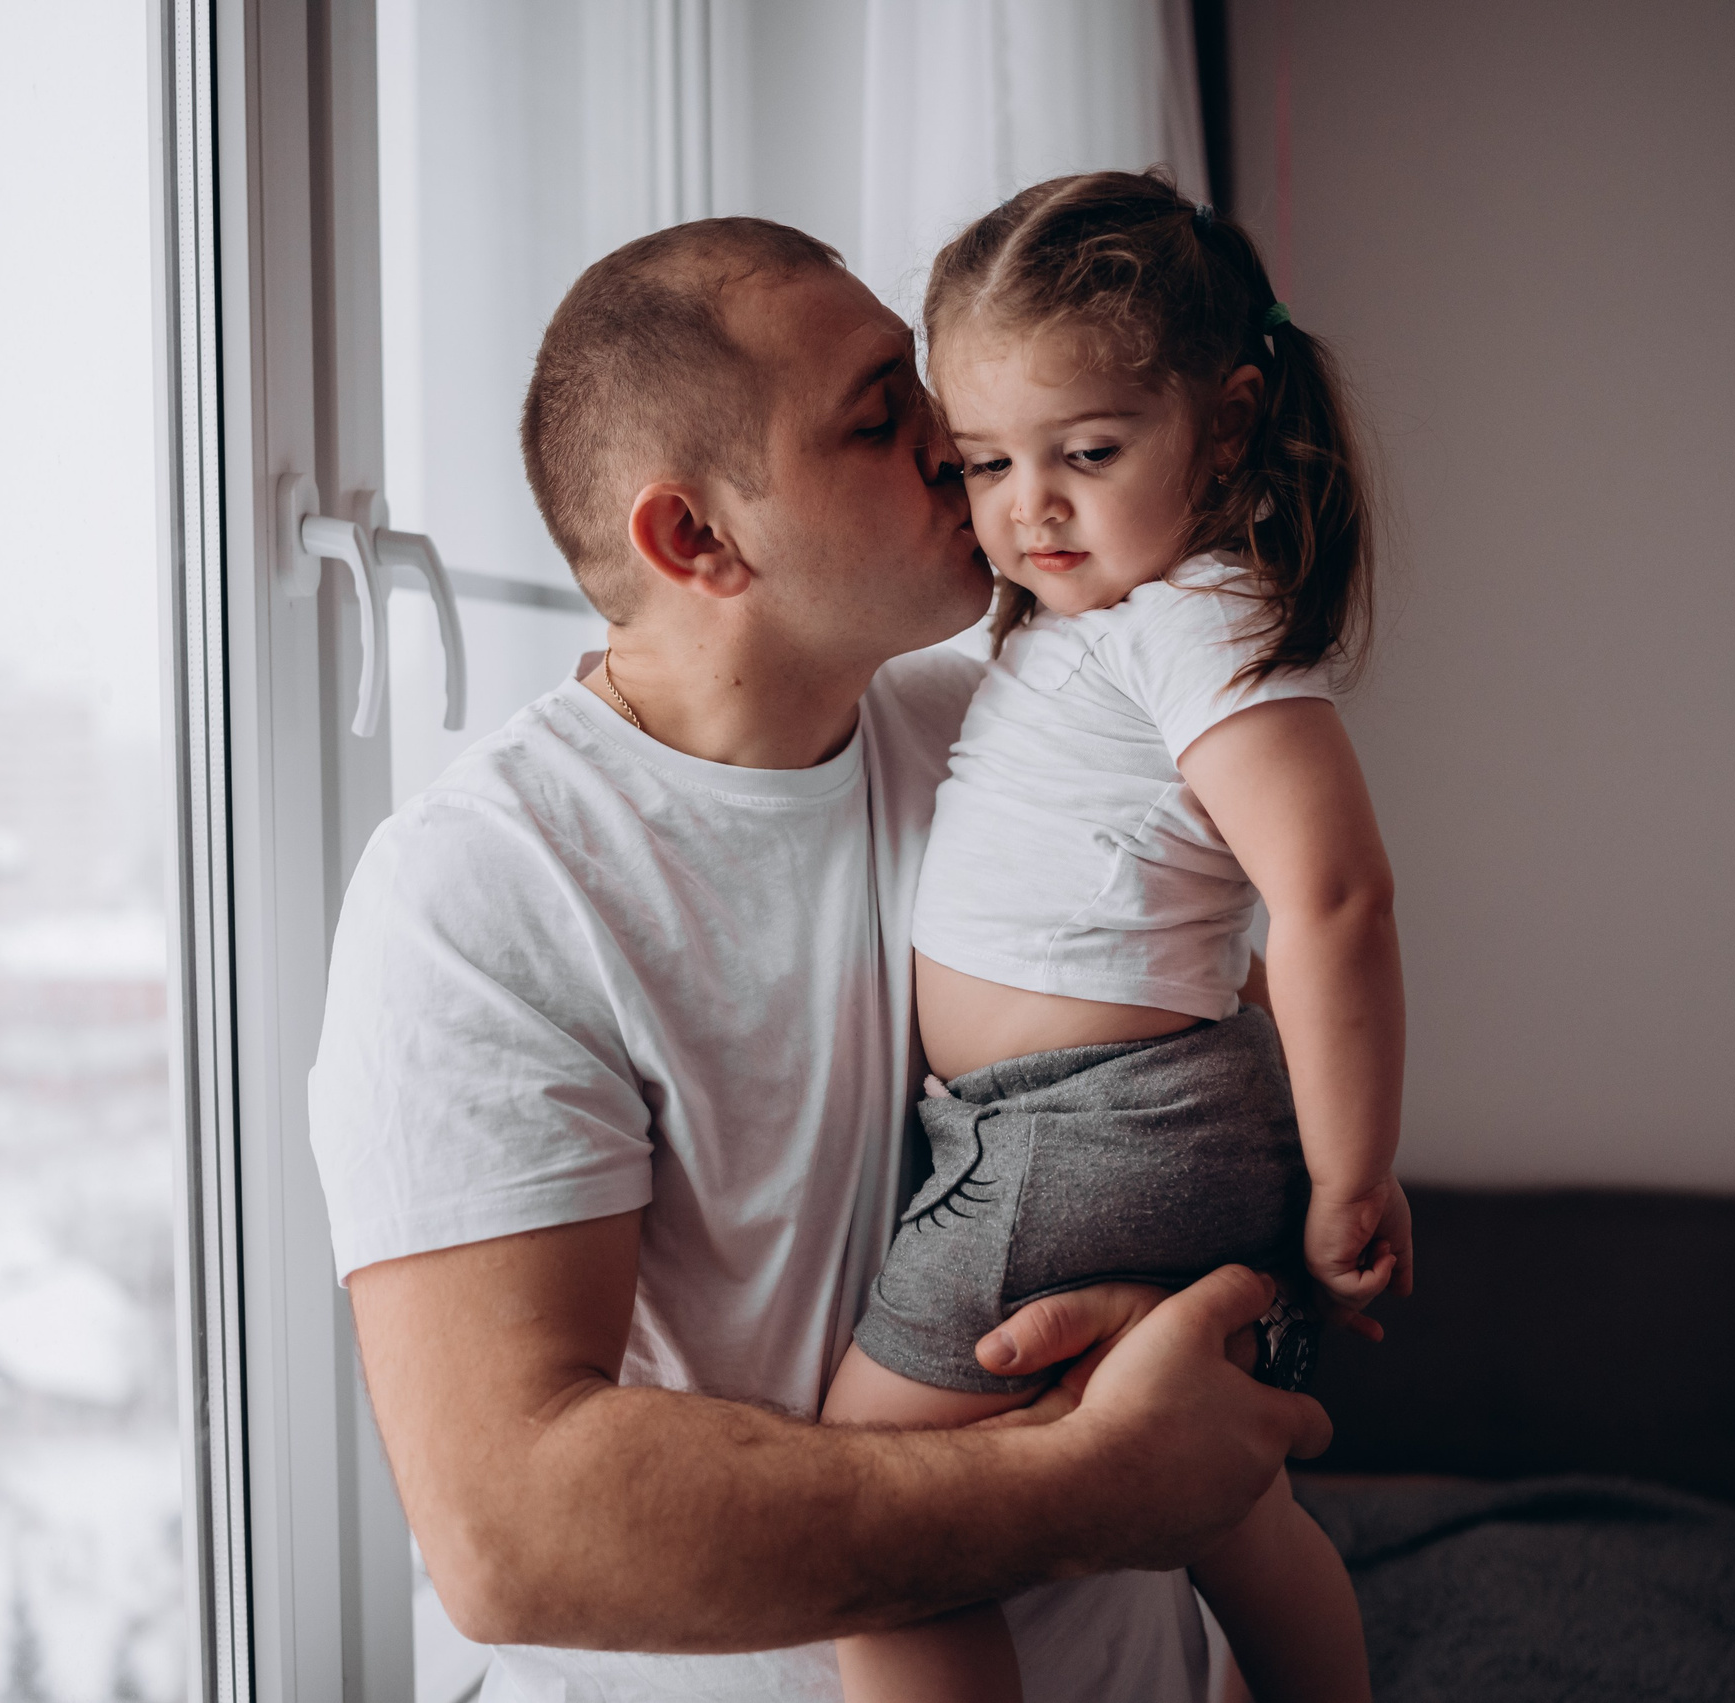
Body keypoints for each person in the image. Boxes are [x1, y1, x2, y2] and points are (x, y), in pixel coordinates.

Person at [308, 216, 1336, 1703]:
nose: (959, 440)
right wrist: (1096, 1483)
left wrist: (1214, 1326)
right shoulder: (481, 892)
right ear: (695, 539)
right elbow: (507, 1535)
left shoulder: (1006, 738)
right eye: (881, 419)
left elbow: (1231, 1111)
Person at [821, 174, 1408, 1703]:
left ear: (1229, 418)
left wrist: (1354, 1174)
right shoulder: (1103, 625)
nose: (1030, 507)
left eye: (1088, 452)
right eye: (986, 462)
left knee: (866, 1526)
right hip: (1089, 1127)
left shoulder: (1201, 618)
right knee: (1226, 1507)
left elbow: (1334, 894)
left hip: (1084, 1137)